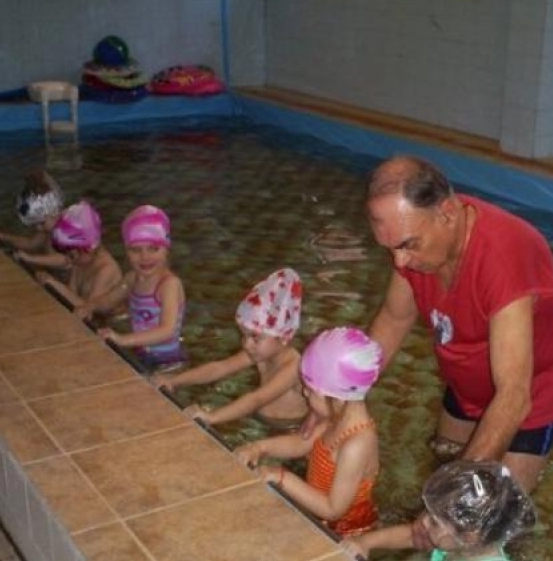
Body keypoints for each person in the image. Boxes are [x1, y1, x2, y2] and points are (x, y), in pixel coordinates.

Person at [364, 155, 553, 499]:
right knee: (439, 469)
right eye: (389, 249)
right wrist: (344, 396)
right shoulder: (414, 244)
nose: (399, 262)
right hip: (466, 385)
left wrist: (456, 490)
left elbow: (513, 395)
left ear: (447, 214)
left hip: (528, 399)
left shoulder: (504, 258)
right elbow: (394, 318)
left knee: (492, 516)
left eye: (406, 245)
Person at [235, 326, 382, 537]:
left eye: (311, 390)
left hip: (344, 531)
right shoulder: (336, 417)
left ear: (337, 398)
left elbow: (333, 510)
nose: (304, 392)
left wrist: (282, 477)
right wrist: (260, 447)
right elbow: (301, 443)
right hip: (318, 514)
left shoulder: (356, 444)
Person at [152, 268, 308, 430]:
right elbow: (220, 368)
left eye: (255, 337)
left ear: (283, 337)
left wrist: (212, 417)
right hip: (259, 419)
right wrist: (174, 380)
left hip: (286, 428)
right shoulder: (260, 353)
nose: (247, 344)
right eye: (244, 335)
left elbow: (257, 399)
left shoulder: (294, 367)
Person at [343, 459, 536, 561]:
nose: (424, 521)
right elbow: (411, 537)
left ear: (470, 536)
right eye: (429, 512)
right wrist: (365, 542)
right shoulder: (457, 541)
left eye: (435, 522)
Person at [76, 204, 186, 372]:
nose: (145, 257)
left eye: (153, 248)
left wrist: (122, 339)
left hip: (167, 362)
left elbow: (167, 331)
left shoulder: (169, 285)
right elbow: (110, 299)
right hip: (141, 353)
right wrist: (90, 306)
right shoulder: (132, 278)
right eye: (136, 250)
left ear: (166, 248)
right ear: (126, 251)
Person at [34, 200, 123, 315]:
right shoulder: (79, 262)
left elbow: (89, 310)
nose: (69, 260)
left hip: (113, 321)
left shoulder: (106, 270)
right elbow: (71, 294)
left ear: (89, 248)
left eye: (72, 255)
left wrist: (54, 283)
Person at [0, 169, 69, 270]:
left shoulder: (67, 231)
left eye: (40, 223)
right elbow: (30, 243)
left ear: (56, 214)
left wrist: (30, 258)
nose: (38, 227)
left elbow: (65, 259)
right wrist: (3, 236)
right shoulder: (47, 229)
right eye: (35, 223)